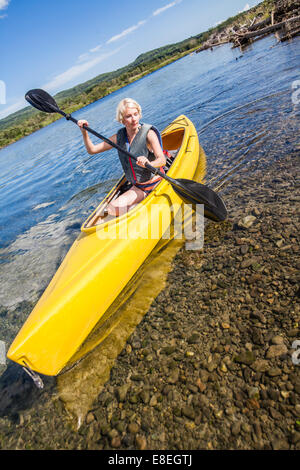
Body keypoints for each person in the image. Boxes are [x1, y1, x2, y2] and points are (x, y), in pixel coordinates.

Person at [78, 98, 166, 216]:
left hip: (154, 182)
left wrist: (149, 163)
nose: (134, 119)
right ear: (122, 120)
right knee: (109, 209)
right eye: (128, 116)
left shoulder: (149, 134)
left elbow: (162, 160)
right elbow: (92, 150)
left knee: (112, 210)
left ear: (139, 114)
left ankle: (140, 209)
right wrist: (84, 132)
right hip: (138, 187)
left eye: (136, 114)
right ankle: (140, 208)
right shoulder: (118, 138)